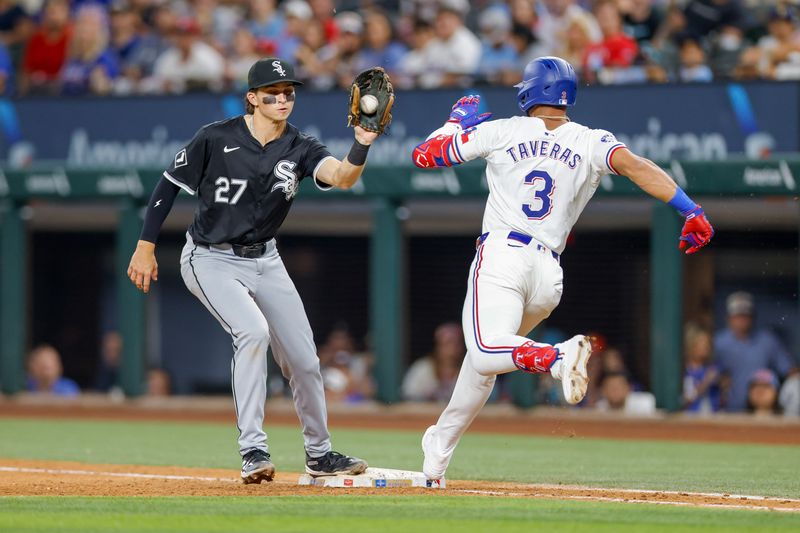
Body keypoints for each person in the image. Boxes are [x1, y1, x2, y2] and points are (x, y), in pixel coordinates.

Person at [411, 56, 714, 481]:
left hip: (504, 254)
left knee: (483, 350)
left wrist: (454, 123)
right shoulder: (591, 139)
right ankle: (439, 450)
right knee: (485, 362)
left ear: (530, 91)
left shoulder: (502, 129)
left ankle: (555, 357)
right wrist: (690, 208)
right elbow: (637, 167)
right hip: (548, 274)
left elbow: (424, 156)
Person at [127, 57, 380, 484]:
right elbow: (168, 184)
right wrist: (145, 244)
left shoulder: (300, 145)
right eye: (272, 94)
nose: (282, 99)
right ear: (252, 98)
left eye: (288, 93)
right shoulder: (215, 137)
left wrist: (362, 142)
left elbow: (343, 177)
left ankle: (319, 454)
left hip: (267, 259)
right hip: (209, 257)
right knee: (253, 332)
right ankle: (253, 450)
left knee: (303, 360)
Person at [714, 291, 797, 412]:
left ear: (753, 317)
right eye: (737, 315)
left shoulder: (768, 341)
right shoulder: (717, 343)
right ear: (728, 318)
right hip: (726, 410)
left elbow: (789, 370)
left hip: (760, 411)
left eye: (746, 315)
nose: (742, 320)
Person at [402, 322, 465, 402]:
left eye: (457, 344)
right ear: (438, 346)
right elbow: (408, 398)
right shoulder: (422, 369)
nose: (452, 350)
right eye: (448, 343)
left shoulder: (470, 371)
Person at [681, 323, 719, 413]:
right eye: (702, 343)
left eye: (708, 344)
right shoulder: (686, 371)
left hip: (713, 416)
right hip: (692, 418)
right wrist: (706, 382)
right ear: (691, 345)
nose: (706, 347)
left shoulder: (712, 368)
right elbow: (687, 398)